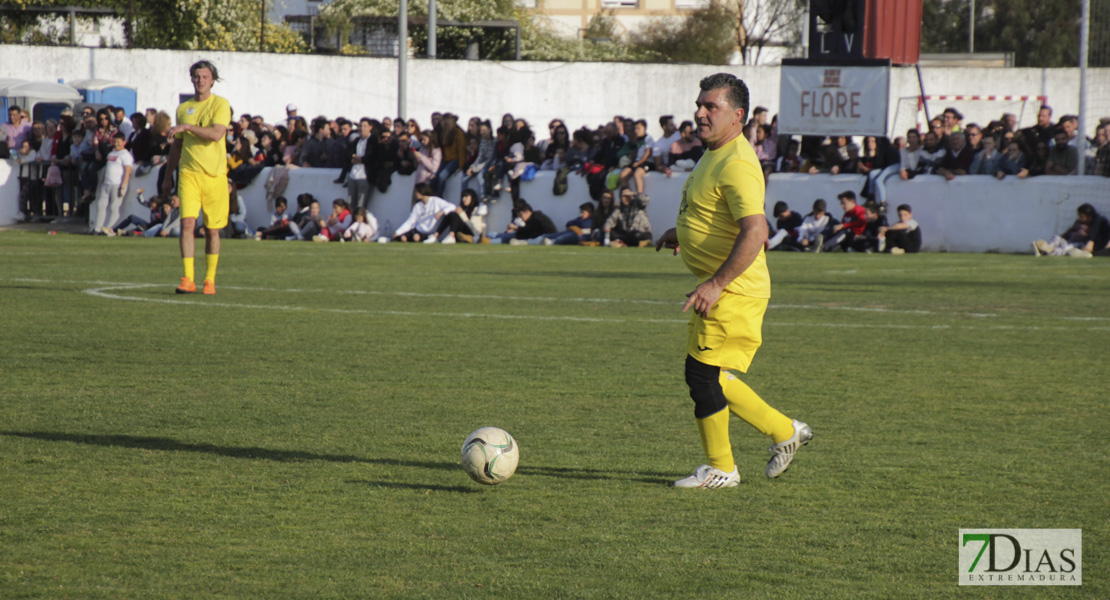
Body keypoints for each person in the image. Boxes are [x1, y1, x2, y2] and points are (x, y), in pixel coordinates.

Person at [654, 73, 812, 488]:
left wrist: (716, 283)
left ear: (737, 115)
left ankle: (722, 468)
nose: (700, 113)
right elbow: (712, 212)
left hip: (734, 289)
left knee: (702, 376)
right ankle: (784, 431)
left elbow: (756, 232)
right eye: (699, 104)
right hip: (722, 283)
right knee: (711, 375)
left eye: (711, 107)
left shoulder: (738, 162)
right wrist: (683, 235)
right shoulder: (713, 153)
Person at [162, 59, 232, 295]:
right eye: (196, 76)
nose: (200, 80)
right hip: (189, 174)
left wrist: (188, 127)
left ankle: (209, 280)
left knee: (212, 230)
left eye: (204, 77)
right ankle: (188, 279)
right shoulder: (184, 108)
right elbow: (176, 146)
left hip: (214, 176)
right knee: (187, 224)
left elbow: (215, 134)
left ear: (212, 79)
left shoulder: (221, 104)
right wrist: (168, 176)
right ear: (191, 79)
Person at [91, 132, 134, 236]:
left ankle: (108, 228)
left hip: (117, 184)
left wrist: (123, 186)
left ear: (124, 142)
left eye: (119, 142)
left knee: (114, 207)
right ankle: (97, 228)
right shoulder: (111, 154)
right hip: (107, 184)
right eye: (114, 141)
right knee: (101, 205)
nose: (116, 144)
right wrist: (102, 182)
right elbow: (107, 169)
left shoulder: (126, 155)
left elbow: (128, 171)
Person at [1033, 203, 1109, 258]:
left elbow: (1092, 237)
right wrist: (1061, 238)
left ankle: (1050, 251)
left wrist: (1089, 243)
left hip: (1079, 244)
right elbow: (1069, 232)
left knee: (1068, 248)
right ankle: (1048, 247)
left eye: (1082, 216)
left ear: (1089, 216)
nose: (1081, 219)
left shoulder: (1098, 221)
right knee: (1057, 238)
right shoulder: (1079, 223)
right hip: (1070, 241)